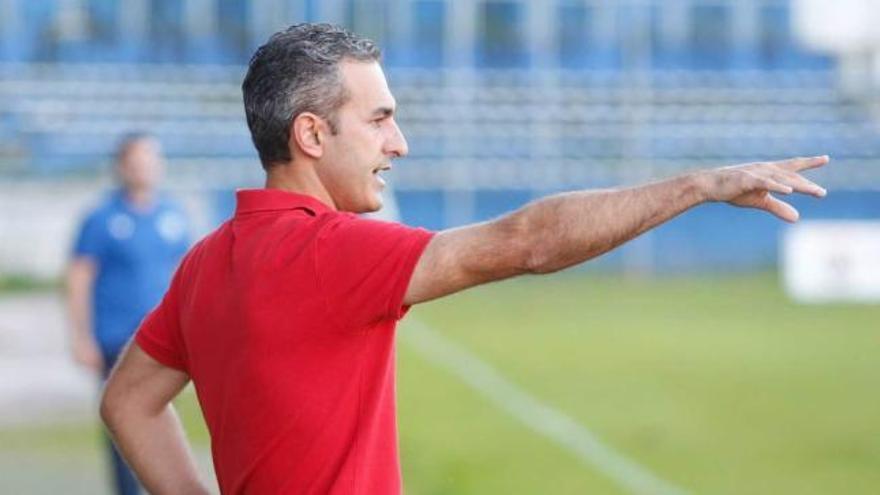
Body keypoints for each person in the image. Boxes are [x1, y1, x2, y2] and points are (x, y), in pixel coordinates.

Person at [99, 24, 829, 494]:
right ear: (313, 134)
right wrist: (699, 184)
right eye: (381, 119)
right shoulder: (328, 251)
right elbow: (528, 242)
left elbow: (127, 400)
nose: (400, 142)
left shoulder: (205, 260)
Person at [66, 133, 190, 495]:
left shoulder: (173, 215)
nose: (145, 167)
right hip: (116, 338)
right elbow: (79, 277)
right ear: (122, 166)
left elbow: (182, 275)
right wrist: (81, 336)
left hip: (161, 339)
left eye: (151, 159)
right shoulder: (102, 219)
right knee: (124, 419)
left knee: (164, 421)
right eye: (137, 160)